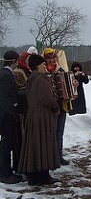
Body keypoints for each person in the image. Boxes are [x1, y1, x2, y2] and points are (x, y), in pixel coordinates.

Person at [18, 54, 60, 186]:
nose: (45, 67)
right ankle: (43, 175)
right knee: (43, 143)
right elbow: (47, 98)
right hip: (42, 116)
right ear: (37, 65)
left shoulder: (32, 78)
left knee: (35, 144)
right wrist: (55, 106)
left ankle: (35, 175)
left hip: (32, 115)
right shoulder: (41, 79)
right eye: (43, 64)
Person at [42, 48, 73, 165]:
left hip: (62, 106)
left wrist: (73, 86)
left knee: (59, 133)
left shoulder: (61, 70)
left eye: (54, 58)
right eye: (50, 58)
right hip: (50, 108)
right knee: (51, 133)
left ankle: (59, 156)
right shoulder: (43, 72)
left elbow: (69, 85)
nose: (53, 60)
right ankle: (51, 158)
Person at [0, 50, 22, 184]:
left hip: (5, 113)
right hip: (6, 115)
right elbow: (6, 97)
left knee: (6, 144)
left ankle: (6, 171)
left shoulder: (4, 73)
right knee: (6, 145)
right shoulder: (6, 75)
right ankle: (5, 173)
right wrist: (13, 110)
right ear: (14, 61)